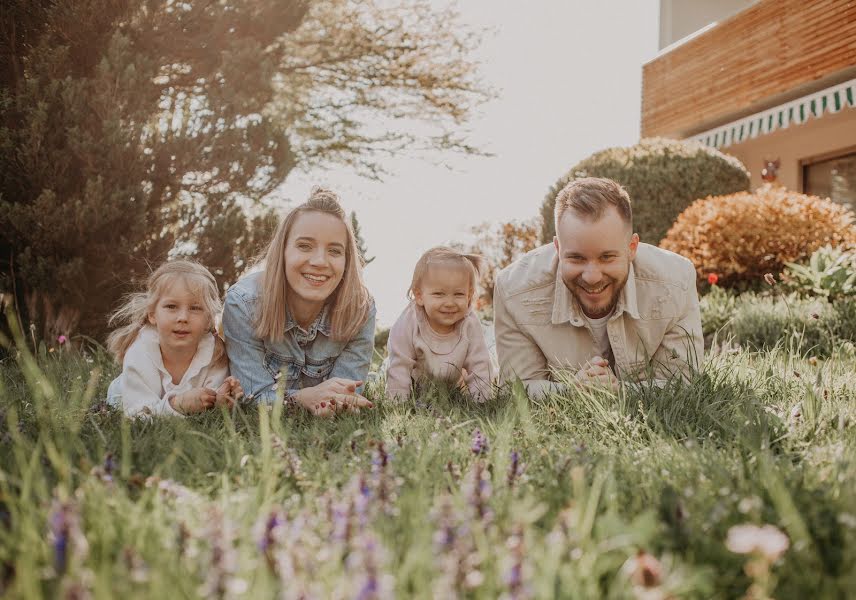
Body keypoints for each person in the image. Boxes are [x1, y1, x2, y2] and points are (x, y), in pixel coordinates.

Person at [494, 177, 703, 396]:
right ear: (557, 248)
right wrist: (571, 391)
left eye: (607, 257)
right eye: (576, 258)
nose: (592, 277)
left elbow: (682, 382)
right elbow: (514, 388)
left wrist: (620, 391)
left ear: (632, 247)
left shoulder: (676, 281)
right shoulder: (513, 290)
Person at [222, 187, 375, 417]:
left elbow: (346, 396)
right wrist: (302, 400)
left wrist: (330, 404)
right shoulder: (244, 304)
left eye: (334, 251)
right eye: (304, 246)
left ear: (346, 261)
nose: (319, 261)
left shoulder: (360, 309)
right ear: (282, 251)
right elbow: (251, 397)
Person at [106, 261, 243, 417]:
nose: (183, 318)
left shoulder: (215, 354)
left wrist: (220, 400)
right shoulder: (140, 352)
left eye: (195, 308)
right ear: (152, 314)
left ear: (208, 320)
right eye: (171, 306)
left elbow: (209, 407)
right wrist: (176, 404)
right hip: (129, 397)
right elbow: (138, 415)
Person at [386, 246, 493, 401]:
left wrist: (481, 401)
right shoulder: (409, 322)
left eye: (458, 294)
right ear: (419, 295)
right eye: (438, 294)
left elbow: (480, 364)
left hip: (451, 383)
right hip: (415, 383)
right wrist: (397, 401)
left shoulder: (469, 324)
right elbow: (399, 365)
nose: (449, 303)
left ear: (469, 296)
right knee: (393, 368)